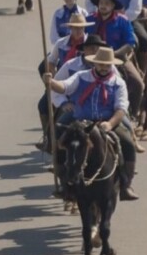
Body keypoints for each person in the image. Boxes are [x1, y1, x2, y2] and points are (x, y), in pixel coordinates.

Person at [43, 46, 141, 201]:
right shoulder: (81, 76)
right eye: (100, 64)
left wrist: (110, 124)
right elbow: (65, 87)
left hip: (107, 121)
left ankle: (125, 184)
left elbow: (121, 108)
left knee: (127, 143)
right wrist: (51, 82)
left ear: (111, 65)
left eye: (107, 65)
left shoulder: (118, 82)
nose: (103, 68)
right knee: (61, 139)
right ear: (94, 64)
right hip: (81, 120)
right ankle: (65, 183)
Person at [85, 0, 145, 121]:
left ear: (113, 6)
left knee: (138, 83)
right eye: (101, 3)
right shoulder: (89, 20)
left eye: (107, 3)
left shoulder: (122, 21)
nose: (103, 6)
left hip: (117, 58)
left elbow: (130, 43)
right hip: (91, 59)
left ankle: (133, 115)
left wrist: (113, 54)